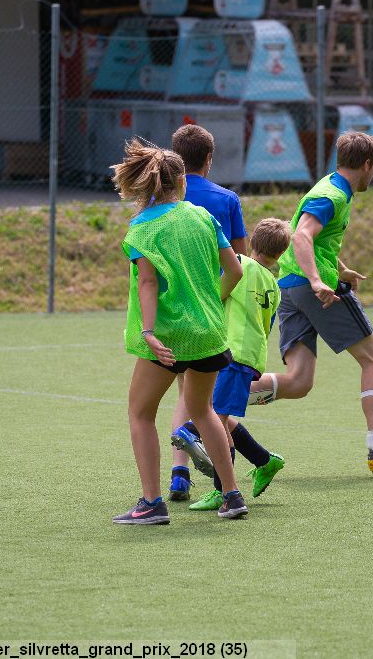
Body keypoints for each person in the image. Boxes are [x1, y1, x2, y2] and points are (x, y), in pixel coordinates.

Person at [246, 132, 373, 474]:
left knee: (299, 382)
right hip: (315, 290)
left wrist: (341, 269)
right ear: (367, 164)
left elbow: (316, 238)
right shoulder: (333, 195)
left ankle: (214, 405)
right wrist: (317, 280)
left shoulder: (330, 186)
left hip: (289, 287)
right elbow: (301, 235)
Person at [109, 138, 247, 525]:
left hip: (169, 337)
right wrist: (212, 304)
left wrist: (149, 332)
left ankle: (152, 503)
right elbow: (235, 270)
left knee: (140, 413)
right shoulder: (202, 217)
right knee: (203, 411)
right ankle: (232, 495)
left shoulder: (142, 227)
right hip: (208, 333)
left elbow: (147, 283)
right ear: (182, 181)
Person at [173, 217, 292, 511]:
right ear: (281, 253)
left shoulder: (239, 264)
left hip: (231, 352)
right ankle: (263, 460)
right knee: (221, 418)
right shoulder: (274, 285)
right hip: (250, 356)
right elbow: (266, 325)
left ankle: (223, 491)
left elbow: (216, 294)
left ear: (251, 242)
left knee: (212, 419)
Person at [165, 124, 249, 501]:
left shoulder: (162, 202)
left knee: (185, 392)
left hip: (174, 308)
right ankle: (225, 486)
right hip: (214, 308)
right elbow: (240, 258)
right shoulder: (227, 200)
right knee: (203, 400)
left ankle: (179, 473)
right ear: (209, 159)